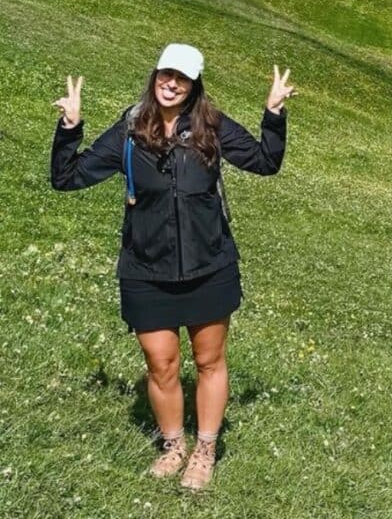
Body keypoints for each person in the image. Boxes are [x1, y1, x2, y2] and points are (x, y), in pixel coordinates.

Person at [50, 43, 294, 490]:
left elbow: (264, 162)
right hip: (146, 269)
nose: (171, 84)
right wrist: (70, 128)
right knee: (161, 363)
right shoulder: (130, 129)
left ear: (194, 84)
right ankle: (173, 444)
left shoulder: (212, 127)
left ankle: (205, 449)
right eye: (165, 74)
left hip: (209, 266)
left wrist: (273, 115)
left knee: (208, 359)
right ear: (155, 74)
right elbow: (67, 177)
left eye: (181, 78)